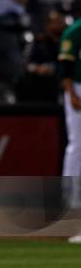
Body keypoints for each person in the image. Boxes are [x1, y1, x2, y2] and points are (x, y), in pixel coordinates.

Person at [58, 14, 81, 244]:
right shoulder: (74, 31)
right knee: (77, 144)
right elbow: (65, 66)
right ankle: (70, 201)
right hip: (77, 87)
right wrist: (71, 93)